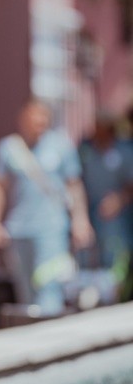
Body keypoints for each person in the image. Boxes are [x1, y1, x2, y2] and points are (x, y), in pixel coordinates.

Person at [0, 99, 94, 316]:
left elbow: (74, 185)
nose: (39, 124)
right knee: (26, 290)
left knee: (49, 284)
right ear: (23, 120)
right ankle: (35, 328)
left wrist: (80, 220)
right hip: (19, 229)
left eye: (43, 120)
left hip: (52, 228)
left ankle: (51, 327)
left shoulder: (61, 146)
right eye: (35, 120)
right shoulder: (8, 149)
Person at [78, 110, 133, 285]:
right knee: (86, 255)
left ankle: (116, 291)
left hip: (117, 215)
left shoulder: (124, 151)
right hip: (89, 211)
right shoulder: (85, 150)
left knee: (115, 255)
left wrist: (119, 200)